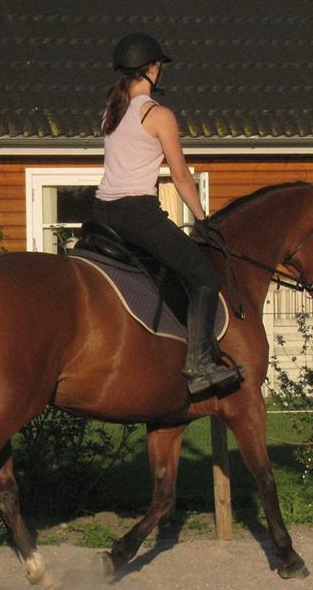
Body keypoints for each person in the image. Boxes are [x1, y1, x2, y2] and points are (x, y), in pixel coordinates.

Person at [92, 31, 243, 398]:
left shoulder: (110, 112)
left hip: (100, 213)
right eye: (159, 67)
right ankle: (199, 364)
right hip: (137, 214)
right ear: (153, 69)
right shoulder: (159, 115)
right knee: (205, 276)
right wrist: (202, 217)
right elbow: (179, 174)